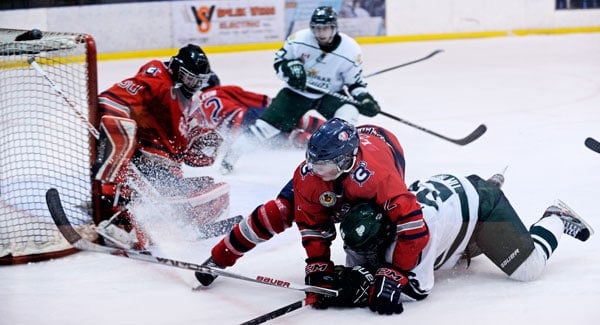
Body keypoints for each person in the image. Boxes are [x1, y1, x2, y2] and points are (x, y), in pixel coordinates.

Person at [195, 118, 430, 311]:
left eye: (326, 167)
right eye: (315, 164)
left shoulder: (378, 177)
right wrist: (318, 265)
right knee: (276, 212)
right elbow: (312, 226)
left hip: (383, 145)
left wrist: (397, 272)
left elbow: (412, 225)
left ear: (346, 161)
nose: (319, 173)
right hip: (352, 153)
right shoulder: (311, 175)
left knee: (370, 223)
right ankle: (218, 258)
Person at [329, 173, 594, 314]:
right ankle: (484, 187)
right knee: (460, 254)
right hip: (452, 204)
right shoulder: (367, 225)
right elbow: (361, 266)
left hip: (480, 211)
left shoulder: (416, 233)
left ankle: (555, 217)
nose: (366, 255)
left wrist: (367, 291)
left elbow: (419, 288)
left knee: (529, 269)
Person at [93, 44, 227, 249]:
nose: (193, 86)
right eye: (190, 79)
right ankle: (116, 217)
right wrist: (120, 133)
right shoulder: (159, 79)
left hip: (166, 168)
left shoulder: (190, 101)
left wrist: (202, 142)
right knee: (176, 200)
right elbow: (111, 100)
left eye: (198, 82)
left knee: (214, 194)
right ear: (176, 68)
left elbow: (187, 153)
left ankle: (149, 220)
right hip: (144, 160)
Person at [220, 6, 381, 174]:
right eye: (317, 28)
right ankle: (231, 156)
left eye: (325, 28)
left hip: (329, 94)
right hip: (296, 94)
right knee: (264, 127)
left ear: (334, 28)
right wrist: (290, 70)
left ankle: (341, 160)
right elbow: (279, 62)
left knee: (348, 112)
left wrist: (364, 98)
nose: (321, 33)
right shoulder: (298, 40)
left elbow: (354, 83)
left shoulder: (350, 50)